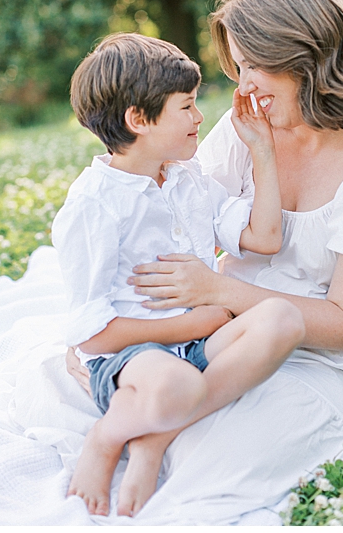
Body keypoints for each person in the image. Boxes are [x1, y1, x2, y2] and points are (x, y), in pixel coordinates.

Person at [59, 0, 343, 523]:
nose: (244, 87)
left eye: (258, 65)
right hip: (214, 334)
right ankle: (149, 417)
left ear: (308, 57)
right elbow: (181, 214)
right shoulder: (251, 126)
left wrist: (216, 290)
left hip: (324, 363)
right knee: (67, 383)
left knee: (218, 459)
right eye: (239, 68)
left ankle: (154, 437)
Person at [54, 32, 302, 517]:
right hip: (134, 356)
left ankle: (152, 440)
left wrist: (262, 151)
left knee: (284, 320)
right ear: (138, 120)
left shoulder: (187, 180)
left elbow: (265, 237)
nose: (199, 118)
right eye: (186, 107)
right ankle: (106, 438)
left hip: (194, 344)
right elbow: (94, 335)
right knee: (179, 386)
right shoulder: (94, 204)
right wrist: (195, 323)